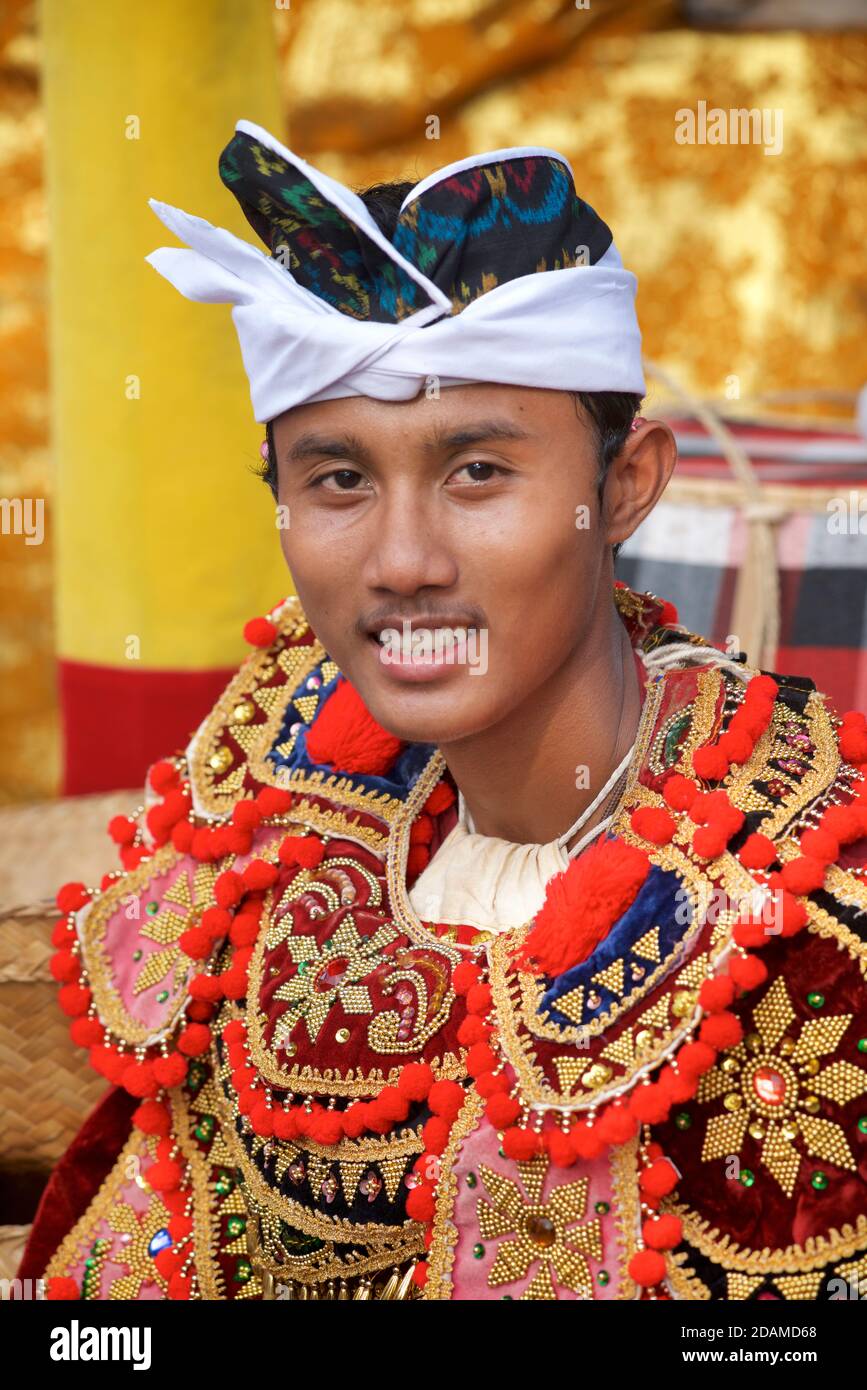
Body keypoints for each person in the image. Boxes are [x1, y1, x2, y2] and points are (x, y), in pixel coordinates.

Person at [19, 121, 867, 1302]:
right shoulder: (264, 846)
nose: (402, 561)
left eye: (477, 472)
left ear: (623, 488)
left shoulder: (804, 934)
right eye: (339, 479)